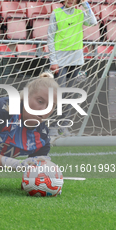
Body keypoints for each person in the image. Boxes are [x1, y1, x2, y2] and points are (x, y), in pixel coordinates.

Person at [47, 0, 97, 136]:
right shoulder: (56, 13)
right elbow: (50, 38)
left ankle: (64, 126)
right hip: (60, 59)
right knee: (60, 93)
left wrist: (86, 4)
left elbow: (93, 22)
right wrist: (54, 61)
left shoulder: (80, 13)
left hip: (76, 59)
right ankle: (52, 126)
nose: (70, 0)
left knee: (71, 94)